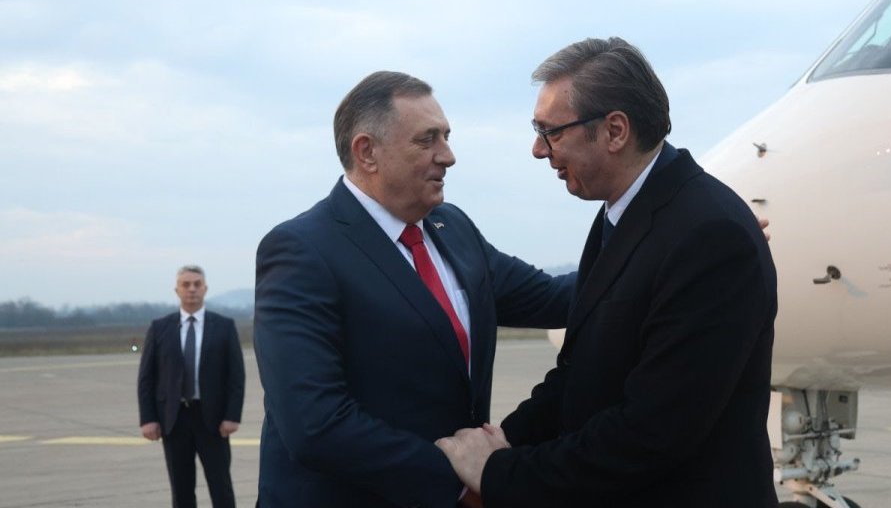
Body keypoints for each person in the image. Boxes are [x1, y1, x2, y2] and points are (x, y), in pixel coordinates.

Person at [437, 37, 779, 507]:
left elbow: (652, 433)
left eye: (551, 132)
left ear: (615, 131)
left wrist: (499, 472)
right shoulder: (625, 215)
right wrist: (505, 441)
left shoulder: (708, 234)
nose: (538, 150)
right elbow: (579, 375)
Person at [253, 71, 574, 507]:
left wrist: (649, 252)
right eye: (427, 140)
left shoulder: (452, 227)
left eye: (446, 137)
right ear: (367, 152)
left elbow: (554, 298)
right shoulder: (303, 251)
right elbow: (314, 424)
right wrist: (460, 483)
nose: (448, 156)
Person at [137, 265, 245, 508]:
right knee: (181, 489)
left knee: (221, 487)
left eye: (197, 284)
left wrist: (232, 416)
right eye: (186, 284)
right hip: (174, 420)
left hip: (213, 420)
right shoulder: (160, 328)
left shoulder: (224, 326)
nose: (192, 289)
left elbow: (236, 376)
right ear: (177, 290)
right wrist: (148, 418)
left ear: (205, 289)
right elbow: (146, 378)